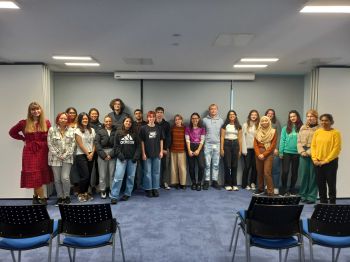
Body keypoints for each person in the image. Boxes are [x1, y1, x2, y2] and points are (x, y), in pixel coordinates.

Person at [9, 102, 53, 204]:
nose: (35, 111)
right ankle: (43, 199)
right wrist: (22, 139)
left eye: (37, 109)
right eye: (33, 109)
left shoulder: (46, 122)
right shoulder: (23, 123)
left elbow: (50, 137)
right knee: (34, 175)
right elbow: (12, 132)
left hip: (43, 151)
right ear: (30, 111)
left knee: (38, 175)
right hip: (29, 151)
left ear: (40, 110)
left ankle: (35, 197)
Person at [311, 114, 341, 204]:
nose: (324, 122)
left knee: (331, 184)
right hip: (317, 162)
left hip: (330, 163)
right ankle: (323, 203)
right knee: (321, 185)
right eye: (322, 120)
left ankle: (332, 204)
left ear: (331, 122)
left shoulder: (336, 133)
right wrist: (314, 159)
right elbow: (313, 146)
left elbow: (336, 149)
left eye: (326, 120)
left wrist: (326, 161)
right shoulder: (317, 132)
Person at [110, 117, 141, 204]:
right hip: (121, 159)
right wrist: (120, 156)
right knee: (118, 178)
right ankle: (114, 196)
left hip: (132, 159)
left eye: (130, 122)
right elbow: (116, 147)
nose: (128, 123)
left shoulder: (135, 133)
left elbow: (138, 146)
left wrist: (136, 157)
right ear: (123, 122)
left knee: (131, 177)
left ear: (131, 124)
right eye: (126, 121)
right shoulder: (118, 132)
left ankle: (127, 193)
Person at [47, 112, 76, 205]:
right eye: (61, 118)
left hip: (67, 158)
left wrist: (65, 155)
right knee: (57, 179)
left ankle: (67, 196)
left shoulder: (71, 130)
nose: (63, 120)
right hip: (55, 158)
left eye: (65, 119)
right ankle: (60, 197)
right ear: (58, 119)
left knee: (65, 178)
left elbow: (73, 144)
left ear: (67, 120)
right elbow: (50, 144)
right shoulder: (52, 129)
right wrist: (58, 155)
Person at [140, 111, 164, 197]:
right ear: (147, 118)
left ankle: (155, 188)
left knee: (156, 172)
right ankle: (148, 189)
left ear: (155, 118)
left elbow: (161, 140)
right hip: (147, 154)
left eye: (153, 117)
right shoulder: (143, 128)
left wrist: (161, 151)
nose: (151, 118)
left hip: (157, 153)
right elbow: (142, 141)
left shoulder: (159, 128)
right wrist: (143, 153)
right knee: (147, 172)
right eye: (150, 117)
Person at [297, 110, 319, 204]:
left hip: (314, 153)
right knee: (303, 175)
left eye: (312, 116)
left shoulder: (320, 129)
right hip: (303, 153)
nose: (309, 118)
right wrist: (302, 151)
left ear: (316, 117)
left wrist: (309, 152)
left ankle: (311, 197)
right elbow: (298, 141)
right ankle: (303, 195)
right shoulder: (303, 127)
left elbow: (318, 143)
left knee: (313, 176)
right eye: (308, 116)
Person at [279, 110, 303, 196]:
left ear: (297, 117)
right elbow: (282, 140)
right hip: (286, 152)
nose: (292, 118)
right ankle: (284, 189)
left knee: (294, 172)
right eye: (291, 116)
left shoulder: (302, 128)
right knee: (285, 171)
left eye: (294, 116)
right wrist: (280, 152)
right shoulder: (285, 128)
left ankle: (292, 189)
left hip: (297, 153)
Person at [74, 112, 96, 202]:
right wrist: (88, 154)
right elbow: (80, 144)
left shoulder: (92, 130)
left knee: (89, 175)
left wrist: (92, 154)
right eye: (83, 119)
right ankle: (80, 193)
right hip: (81, 155)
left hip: (91, 154)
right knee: (85, 176)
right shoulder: (77, 130)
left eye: (86, 119)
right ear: (80, 120)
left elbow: (95, 143)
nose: (85, 120)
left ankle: (86, 193)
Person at [253, 116, 277, 196]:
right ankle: (260, 189)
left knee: (267, 172)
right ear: (260, 122)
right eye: (262, 121)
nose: (264, 122)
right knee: (259, 172)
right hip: (258, 154)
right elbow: (255, 144)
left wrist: (264, 154)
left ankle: (270, 191)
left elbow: (273, 145)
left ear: (269, 122)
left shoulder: (273, 131)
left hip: (268, 154)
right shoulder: (257, 132)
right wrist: (258, 154)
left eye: (266, 120)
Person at [203, 104, 224, 190]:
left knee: (216, 164)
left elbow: (222, 134)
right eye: (211, 109)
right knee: (207, 164)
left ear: (217, 110)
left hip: (217, 144)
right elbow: (202, 132)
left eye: (215, 109)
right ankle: (207, 181)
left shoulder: (221, 121)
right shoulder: (204, 120)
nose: (213, 110)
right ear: (209, 110)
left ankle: (214, 181)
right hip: (207, 144)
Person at [95, 115, 116, 199]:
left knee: (112, 174)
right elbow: (97, 143)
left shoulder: (116, 131)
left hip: (112, 153)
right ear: (104, 122)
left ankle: (112, 189)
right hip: (102, 153)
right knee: (102, 174)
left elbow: (117, 144)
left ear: (112, 122)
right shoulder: (100, 131)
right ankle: (103, 190)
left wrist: (111, 154)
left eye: (110, 121)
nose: (108, 123)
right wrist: (103, 155)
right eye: (106, 121)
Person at [220, 110, 242, 191]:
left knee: (234, 165)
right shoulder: (225, 125)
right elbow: (222, 137)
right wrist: (221, 148)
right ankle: (227, 184)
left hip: (236, 145)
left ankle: (234, 184)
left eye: (233, 114)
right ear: (228, 116)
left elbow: (240, 138)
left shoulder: (238, 126)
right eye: (230, 114)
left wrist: (240, 150)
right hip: (226, 145)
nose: (232, 115)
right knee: (227, 165)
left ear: (235, 116)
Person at [185, 113, 206, 191]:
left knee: (201, 166)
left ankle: (199, 183)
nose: (195, 120)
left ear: (199, 119)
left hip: (199, 147)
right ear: (191, 119)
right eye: (193, 118)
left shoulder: (202, 128)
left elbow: (202, 140)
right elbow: (187, 140)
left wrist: (198, 150)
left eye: (196, 118)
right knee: (191, 167)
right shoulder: (188, 128)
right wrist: (189, 150)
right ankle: (193, 183)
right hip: (190, 146)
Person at [241, 110, 259, 190]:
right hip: (247, 149)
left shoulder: (259, 125)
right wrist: (244, 149)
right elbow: (243, 138)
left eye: (255, 115)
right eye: (252, 114)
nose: (254, 116)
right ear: (249, 116)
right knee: (247, 166)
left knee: (255, 167)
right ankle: (245, 184)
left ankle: (253, 183)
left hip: (256, 150)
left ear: (257, 116)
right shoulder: (245, 125)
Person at [265, 109, 281, 195]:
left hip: (274, 150)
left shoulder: (276, 123)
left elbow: (279, 136)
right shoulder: (263, 122)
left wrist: (277, 148)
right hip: (265, 150)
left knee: (275, 169)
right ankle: (268, 185)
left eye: (272, 113)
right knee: (267, 170)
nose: (270, 115)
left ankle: (275, 187)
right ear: (266, 114)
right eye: (268, 113)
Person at [155, 106, 171, 190]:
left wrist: (165, 148)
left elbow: (168, 137)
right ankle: (156, 183)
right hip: (154, 149)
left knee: (165, 166)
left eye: (161, 112)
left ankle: (164, 182)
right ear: (155, 113)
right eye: (158, 112)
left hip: (164, 149)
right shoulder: (152, 123)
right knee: (155, 167)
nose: (159, 114)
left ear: (163, 114)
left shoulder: (167, 124)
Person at [170, 114, 187, 189]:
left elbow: (187, 139)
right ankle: (176, 183)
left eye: (179, 119)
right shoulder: (172, 128)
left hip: (182, 150)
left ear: (181, 120)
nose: (177, 121)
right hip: (173, 150)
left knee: (182, 168)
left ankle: (182, 183)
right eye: (176, 119)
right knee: (174, 168)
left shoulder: (185, 128)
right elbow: (170, 139)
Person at [89, 107, 103, 193]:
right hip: (89, 150)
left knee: (98, 169)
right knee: (89, 169)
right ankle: (89, 186)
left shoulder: (101, 125)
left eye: (95, 114)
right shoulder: (87, 125)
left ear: (98, 115)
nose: (94, 115)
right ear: (89, 115)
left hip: (99, 150)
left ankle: (97, 185)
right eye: (92, 114)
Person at [133, 109, 147, 190]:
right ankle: (134, 185)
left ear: (142, 114)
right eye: (136, 113)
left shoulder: (146, 124)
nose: (138, 115)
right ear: (134, 115)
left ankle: (145, 185)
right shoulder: (132, 124)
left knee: (145, 169)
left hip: (145, 149)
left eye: (139, 113)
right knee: (134, 169)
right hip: (134, 149)